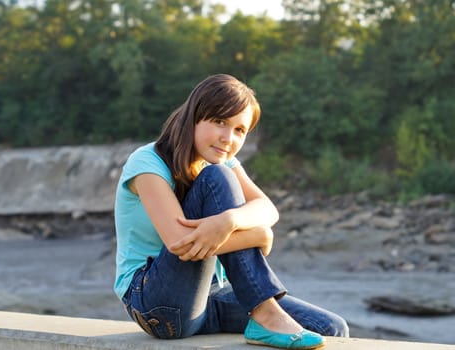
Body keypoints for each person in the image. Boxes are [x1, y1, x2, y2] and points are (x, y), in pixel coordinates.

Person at [114, 74, 349, 349]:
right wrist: (257, 236)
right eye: (220, 122)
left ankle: (264, 314)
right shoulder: (148, 162)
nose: (228, 138)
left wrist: (230, 219)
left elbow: (267, 208)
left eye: (240, 130)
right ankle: (264, 312)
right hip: (156, 302)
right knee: (217, 177)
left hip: (215, 294)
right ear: (193, 117)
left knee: (331, 328)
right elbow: (181, 244)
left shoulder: (225, 161)